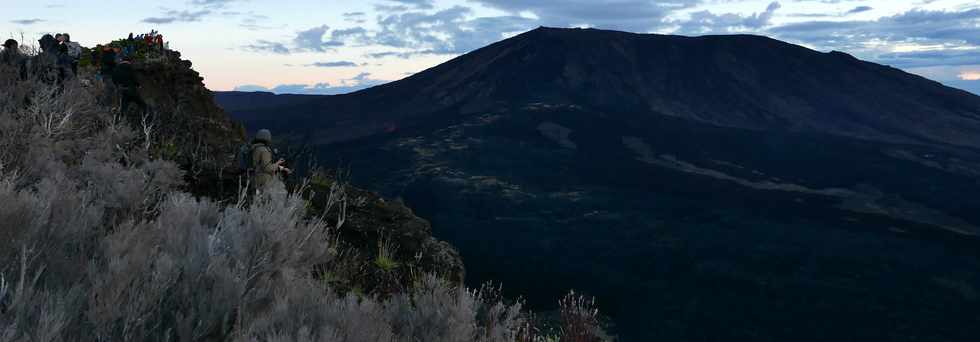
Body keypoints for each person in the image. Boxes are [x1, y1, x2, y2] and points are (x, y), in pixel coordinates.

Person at [251, 129, 290, 193]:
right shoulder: (264, 150)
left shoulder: (255, 147)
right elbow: (268, 168)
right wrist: (278, 163)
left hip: (255, 177)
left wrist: (280, 167)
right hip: (263, 181)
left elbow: (261, 164)